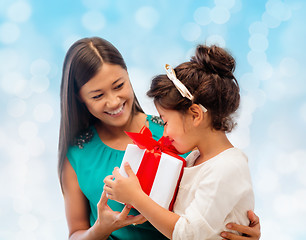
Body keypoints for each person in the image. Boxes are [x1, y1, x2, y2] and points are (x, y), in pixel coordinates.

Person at [58, 36, 261, 240]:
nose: (113, 102)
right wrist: (101, 228)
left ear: (128, 76)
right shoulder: (77, 153)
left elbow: (211, 210)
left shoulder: (181, 136)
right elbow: (76, 232)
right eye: (97, 96)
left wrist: (241, 226)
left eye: (119, 85)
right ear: (79, 98)